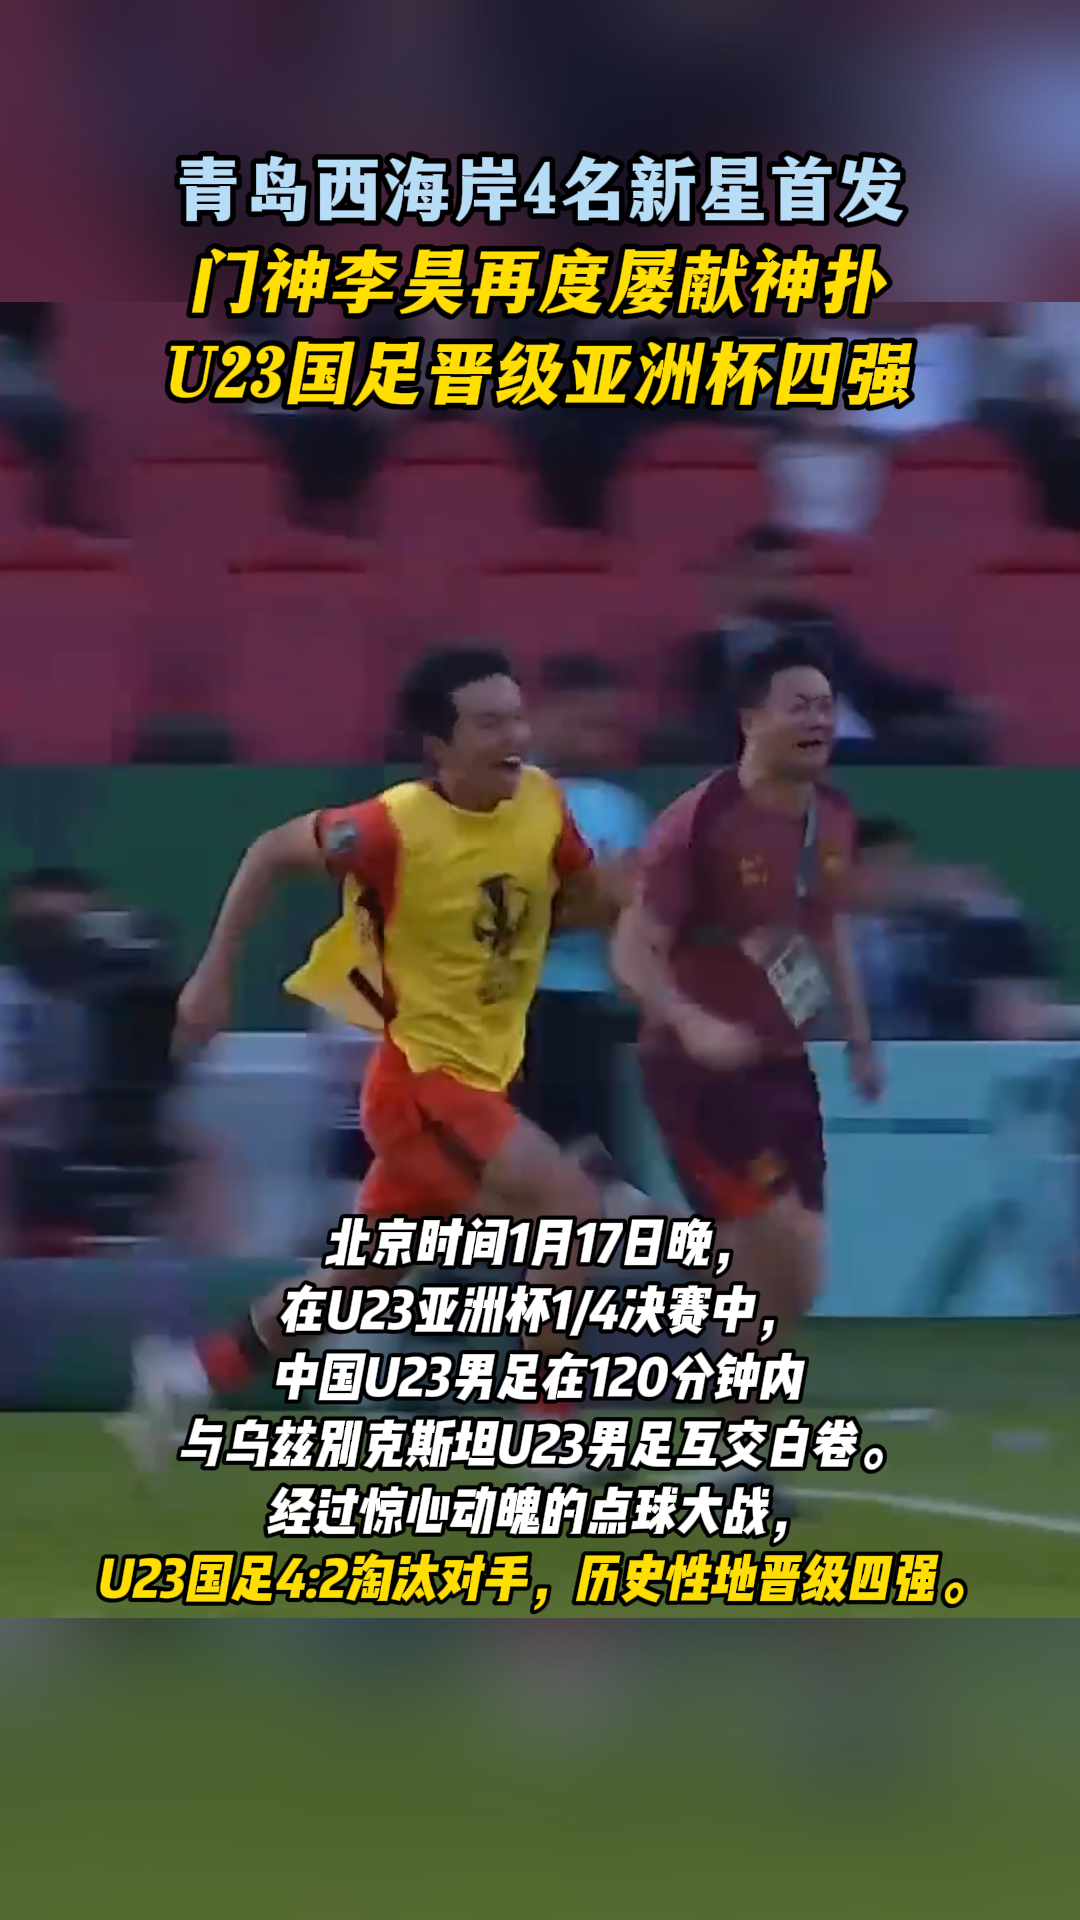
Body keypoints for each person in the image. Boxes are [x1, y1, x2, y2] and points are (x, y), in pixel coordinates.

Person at [123, 646, 636, 1459]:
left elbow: (577, 902)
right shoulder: (391, 826)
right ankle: (550, 1432)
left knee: (352, 1286)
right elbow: (271, 851)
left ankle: (190, 1375)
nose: (515, 737)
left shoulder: (543, 803)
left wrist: (624, 900)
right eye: (490, 723)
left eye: (518, 718)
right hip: (421, 1087)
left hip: (482, 1083)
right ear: (440, 745)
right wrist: (213, 976)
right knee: (569, 1209)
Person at [611, 635, 884, 1325]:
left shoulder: (834, 815)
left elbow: (825, 927)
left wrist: (859, 1040)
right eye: (800, 706)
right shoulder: (699, 823)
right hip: (701, 1074)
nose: (818, 721)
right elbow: (632, 949)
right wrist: (693, 1022)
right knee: (767, 1249)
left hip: (784, 1067)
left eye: (826, 706)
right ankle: (629, 1233)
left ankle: (635, 1227)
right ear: (750, 720)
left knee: (800, 1277)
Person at [517, 654, 651, 1178]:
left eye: (607, 727)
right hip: (511, 1012)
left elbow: (636, 914)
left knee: (595, 1176)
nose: (598, 740)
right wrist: (593, 899)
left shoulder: (619, 807)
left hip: (593, 1019)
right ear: (543, 714)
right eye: (585, 723)